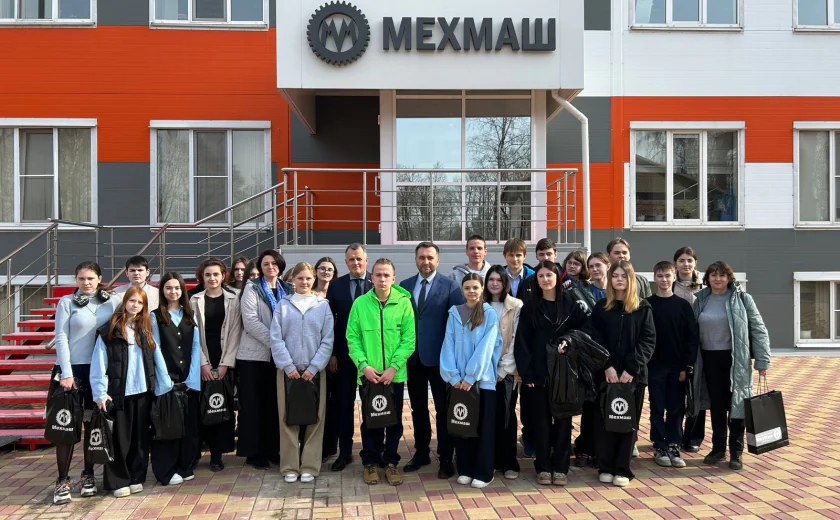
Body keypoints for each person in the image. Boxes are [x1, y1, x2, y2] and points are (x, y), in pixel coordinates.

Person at [90, 286, 173, 498]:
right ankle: (118, 481)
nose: (135, 305)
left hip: (143, 392)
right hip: (119, 394)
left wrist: (162, 386)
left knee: (140, 439)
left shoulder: (144, 329)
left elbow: (156, 360)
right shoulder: (109, 330)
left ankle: (137, 477)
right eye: (132, 300)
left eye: (140, 302)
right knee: (120, 440)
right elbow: (99, 363)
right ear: (125, 301)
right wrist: (100, 393)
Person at [514, 261, 589, 487]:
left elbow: (585, 330)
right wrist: (527, 374)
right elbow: (522, 342)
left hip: (565, 373)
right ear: (536, 280)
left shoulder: (571, 304)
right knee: (541, 421)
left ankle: (561, 466)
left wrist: (569, 340)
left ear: (557, 277)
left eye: (549, 275)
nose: (545, 279)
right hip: (539, 374)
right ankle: (543, 466)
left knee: (564, 421)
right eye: (541, 276)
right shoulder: (530, 307)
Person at [51, 261, 120, 505]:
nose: (86, 282)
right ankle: (62, 480)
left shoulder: (112, 302)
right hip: (72, 372)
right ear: (76, 280)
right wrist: (66, 373)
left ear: (100, 278)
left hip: (99, 371)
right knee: (66, 428)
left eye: (91, 278)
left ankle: (88, 475)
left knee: (93, 424)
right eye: (81, 278)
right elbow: (61, 337)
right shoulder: (67, 302)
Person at [693, 261, 770, 471]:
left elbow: (758, 329)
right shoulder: (700, 300)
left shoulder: (742, 299)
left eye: (722, 275)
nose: (717, 279)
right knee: (717, 406)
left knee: (737, 405)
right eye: (713, 275)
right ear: (707, 278)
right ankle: (718, 449)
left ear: (729, 278)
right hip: (708, 360)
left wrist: (762, 360)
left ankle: (736, 452)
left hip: (736, 359)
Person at [347, 258, 416, 486]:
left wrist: (394, 367)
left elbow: (408, 340)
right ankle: (370, 461)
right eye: (378, 274)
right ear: (371, 278)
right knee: (370, 421)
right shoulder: (360, 304)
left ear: (393, 278)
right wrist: (364, 366)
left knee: (393, 422)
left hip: (393, 376)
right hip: (369, 376)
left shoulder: (404, 303)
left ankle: (391, 462)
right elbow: (352, 338)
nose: (382, 279)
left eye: (387, 275)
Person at [399, 242, 464, 479]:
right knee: (417, 409)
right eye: (421, 257)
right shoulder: (404, 286)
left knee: (443, 409)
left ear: (438, 260)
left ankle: (446, 457)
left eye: (430, 257)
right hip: (413, 358)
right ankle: (421, 452)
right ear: (415, 259)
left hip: (441, 360)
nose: (426, 262)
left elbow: (458, 324)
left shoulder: (451, 286)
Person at [589, 260, 656, 487]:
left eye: (623, 276)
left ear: (631, 279)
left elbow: (648, 340)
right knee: (604, 422)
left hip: (632, 377)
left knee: (627, 422)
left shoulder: (643, 308)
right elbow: (594, 339)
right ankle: (605, 466)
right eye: (615, 276)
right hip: (606, 375)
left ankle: (622, 469)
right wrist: (606, 365)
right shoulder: (601, 307)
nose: (619, 280)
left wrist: (631, 368)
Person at [270, 262, 335, 483]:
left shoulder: (322, 306)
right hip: (288, 371)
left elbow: (327, 339)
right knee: (287, 418)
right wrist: (288, 366)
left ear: (313, 280)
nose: (304, 282)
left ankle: (309, 465)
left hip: (314, 372)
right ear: (293, 280)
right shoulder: (283, 305)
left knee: (316, 418)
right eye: (300, 278)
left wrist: (314, 367)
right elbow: (276, 338)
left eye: (308, 278)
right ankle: (290, 466)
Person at [440, 274, 501, 489]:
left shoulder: (489, 313)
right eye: (467, 288)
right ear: (462, 290)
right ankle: (465, 469)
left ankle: (484, 472)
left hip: (482, 382)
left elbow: (487, 346)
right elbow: (448, 343)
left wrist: (471, 376)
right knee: (463, 425)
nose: (471, 291)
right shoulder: (454, 313)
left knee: (483, 428)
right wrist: (453, 376)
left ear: (482, 289)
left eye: (475, 287)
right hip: (458, 383)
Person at [237, 250, 289, 469]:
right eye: (266, 264)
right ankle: (254, 453)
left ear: (280, 265)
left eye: (274, 263)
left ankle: (272, 449)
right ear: (260, 267)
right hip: (254, 356)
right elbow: (250, 321)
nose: (270, 267)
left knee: (273, 405)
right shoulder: (252, 288)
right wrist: (276, 343)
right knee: (252, 405)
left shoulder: (287, 288)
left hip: (278, 358)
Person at [190, 258, 243, 472]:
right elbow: (192, 334)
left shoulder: (233, 300)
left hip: (225, 362)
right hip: (201, 360)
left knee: (221, 407)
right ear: (202, 277)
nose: (212, 278)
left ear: (223, 276)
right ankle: (195, 452)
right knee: (200, 408)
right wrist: (203, 363)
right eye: (208, 275)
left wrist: (224, 364)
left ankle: (217, 455)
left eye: (216, 274)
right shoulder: (194, 300)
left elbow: (236, 332)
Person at [324, 243, 373, 472]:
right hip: (343, 357)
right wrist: (333, 353)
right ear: (345, 262)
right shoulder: (336, 285)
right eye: (351, 259)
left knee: (370, 405)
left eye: (359, 258)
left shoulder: (376, 282)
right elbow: (330, 322)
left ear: (366, 260)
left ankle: (370, 452)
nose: (355, 262)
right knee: (344, 405)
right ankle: (345, 453)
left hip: (371, 357)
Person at [150, 273, 202, 486]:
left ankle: (185, 465)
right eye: (169, 288)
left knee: (189, 426)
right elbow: (156, 348)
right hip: (168, 381)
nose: (173, 292)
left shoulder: (190, 315)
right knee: (168, 426)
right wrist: (165, 381)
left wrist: (192, 379)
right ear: (162, 290)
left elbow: (196, 346)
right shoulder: (155, 316)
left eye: (177, 288)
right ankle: (166, 470)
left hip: (188, 380)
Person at [646, 262, 699, 469]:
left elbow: (691, 338)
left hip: (677, 367)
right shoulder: (647, 304)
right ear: (654, 278)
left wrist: (687, 366)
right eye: (660, 276)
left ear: (674, 277)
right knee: (657, 407)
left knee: (676, 408)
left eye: (668, 276)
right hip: (654, 366)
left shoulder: (683, 305)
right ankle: (659, 445)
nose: (664, 280)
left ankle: (674, 444)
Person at [483, 266, 523, 480]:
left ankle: (509, 462)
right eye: (491, 279)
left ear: (505, 282)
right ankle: (490, 460)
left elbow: (515, 339)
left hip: (506, 372)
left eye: (499, 280)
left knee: (506, 415)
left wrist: (502, 369)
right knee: (487, 417)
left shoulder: (516, 305)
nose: (495, 283)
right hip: (483, 372)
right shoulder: (480, 305)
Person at [673, 246, 706, 453]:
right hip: (677, 346)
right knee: (677, 394)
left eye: (689, 260)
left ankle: (693, 437)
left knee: (698, 393)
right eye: (682, 260)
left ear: (695, 262)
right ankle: (674, 435)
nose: (686, 264)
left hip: (702, 346)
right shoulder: (670, 283)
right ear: (675, 263)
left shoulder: (705, 285)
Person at [516, 237, 566, 303]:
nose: (545, 258)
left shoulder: (566, 277)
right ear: (536, 256)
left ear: (555, 254)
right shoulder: (529, 279)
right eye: (541, 254)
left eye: (549, 254)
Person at [562, 250, 597, 315]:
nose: (572, 266)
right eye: (569, 262)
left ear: (583, 267)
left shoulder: (588, 285)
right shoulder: (560, 283)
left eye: (576, 264)